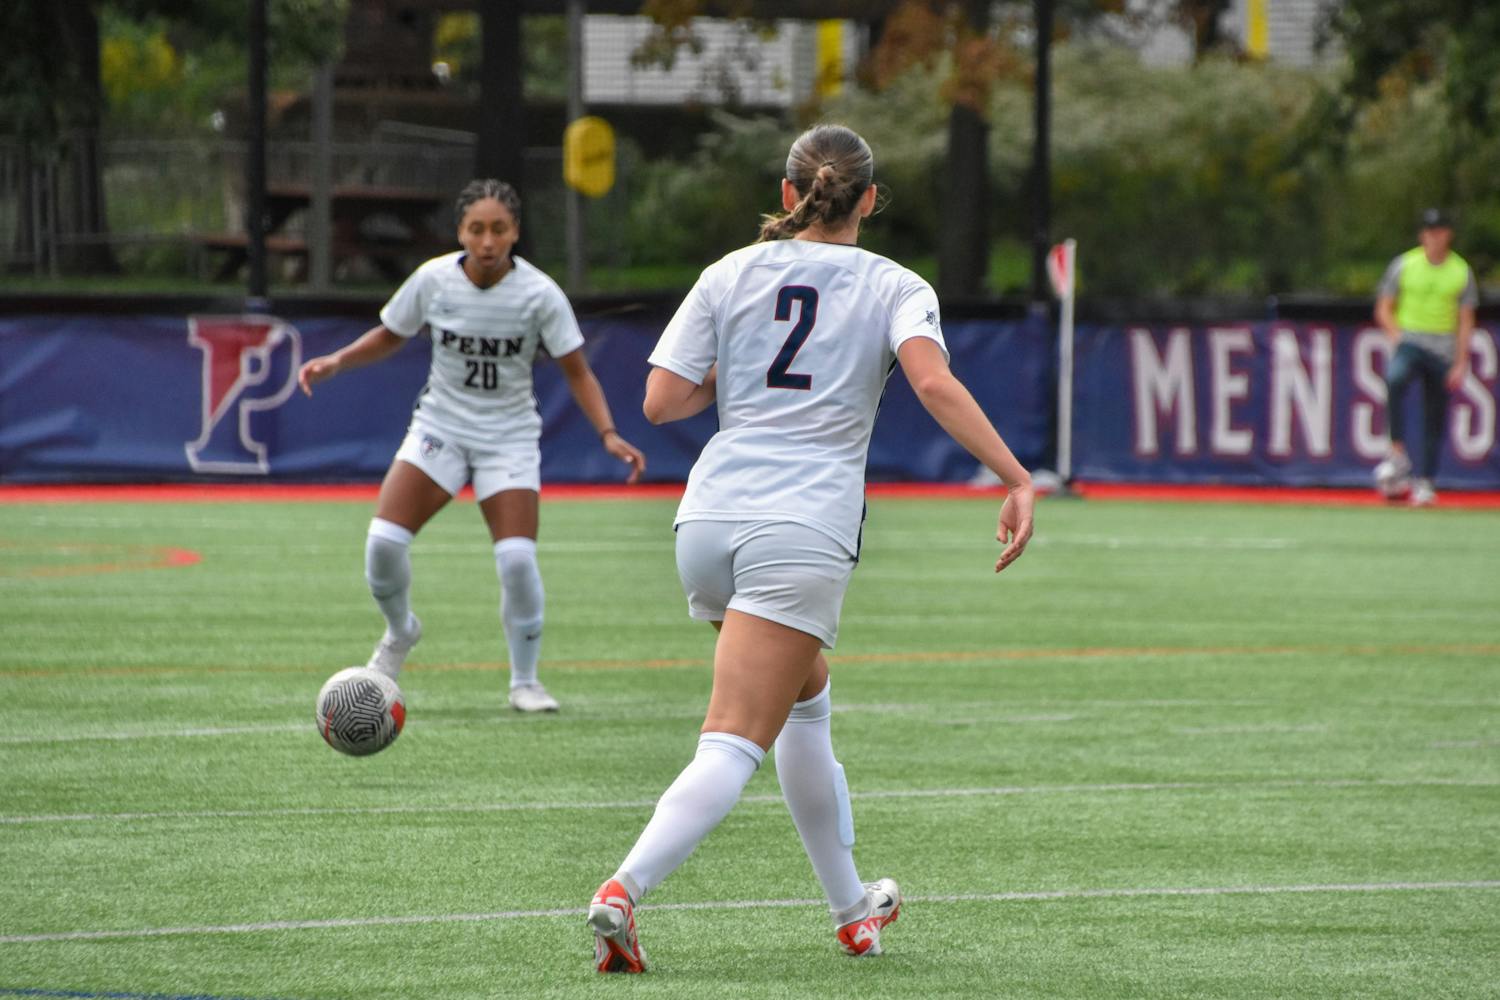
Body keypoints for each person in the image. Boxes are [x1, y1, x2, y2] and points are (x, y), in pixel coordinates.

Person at [585, 125, 1035, 973]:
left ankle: (851, 910)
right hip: (798, 528)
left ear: (790, 195)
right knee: (732, 739)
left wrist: (744, 369)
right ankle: (622, 891)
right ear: (869, 198)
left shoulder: (730, 270)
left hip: (708, 521)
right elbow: (933, 382)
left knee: (804, 696)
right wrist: (1014, 476)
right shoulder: (897, 284)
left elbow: (660, 401)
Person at [298, 179, 646, 712]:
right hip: (442, 427)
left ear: (516, 233)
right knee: (384, 543)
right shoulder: (433, 280)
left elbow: (576, 371)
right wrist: (337, 361)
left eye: (499, 229)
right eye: (476, 229)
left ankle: (525, 682)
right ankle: (399, 633)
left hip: (508, 437)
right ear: (460, 231)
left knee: (516, 561)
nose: (487, 241)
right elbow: (391, 333)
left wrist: (608, 433)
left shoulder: (539, 294)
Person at [1372, 208, 1478, 506]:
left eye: (1440, 231)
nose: (1434, 237)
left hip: (1442, 349)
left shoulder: (1460, 270)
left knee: (1435, 414)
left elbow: (1465, 320)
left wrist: (1460, 361)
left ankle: (1426, 481)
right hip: (1411, 341)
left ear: (1448, 234)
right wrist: (1397, 336)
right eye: (1430, 231)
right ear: (1422, 235)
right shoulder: (1405, 264)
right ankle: (1397, 452)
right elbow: (1384, 307)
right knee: (1395, 379)